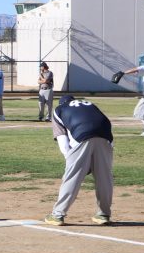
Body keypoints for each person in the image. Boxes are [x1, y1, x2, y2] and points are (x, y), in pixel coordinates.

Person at [42, 95, 114, 226]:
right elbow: (105, 122)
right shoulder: (89, 104)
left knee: (72, 177)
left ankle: (57, 215)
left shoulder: (59, 110)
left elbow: (63, 142)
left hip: (82, 135)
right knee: (104, 177)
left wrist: (72, 162)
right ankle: (103, 214)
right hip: (106, 135)